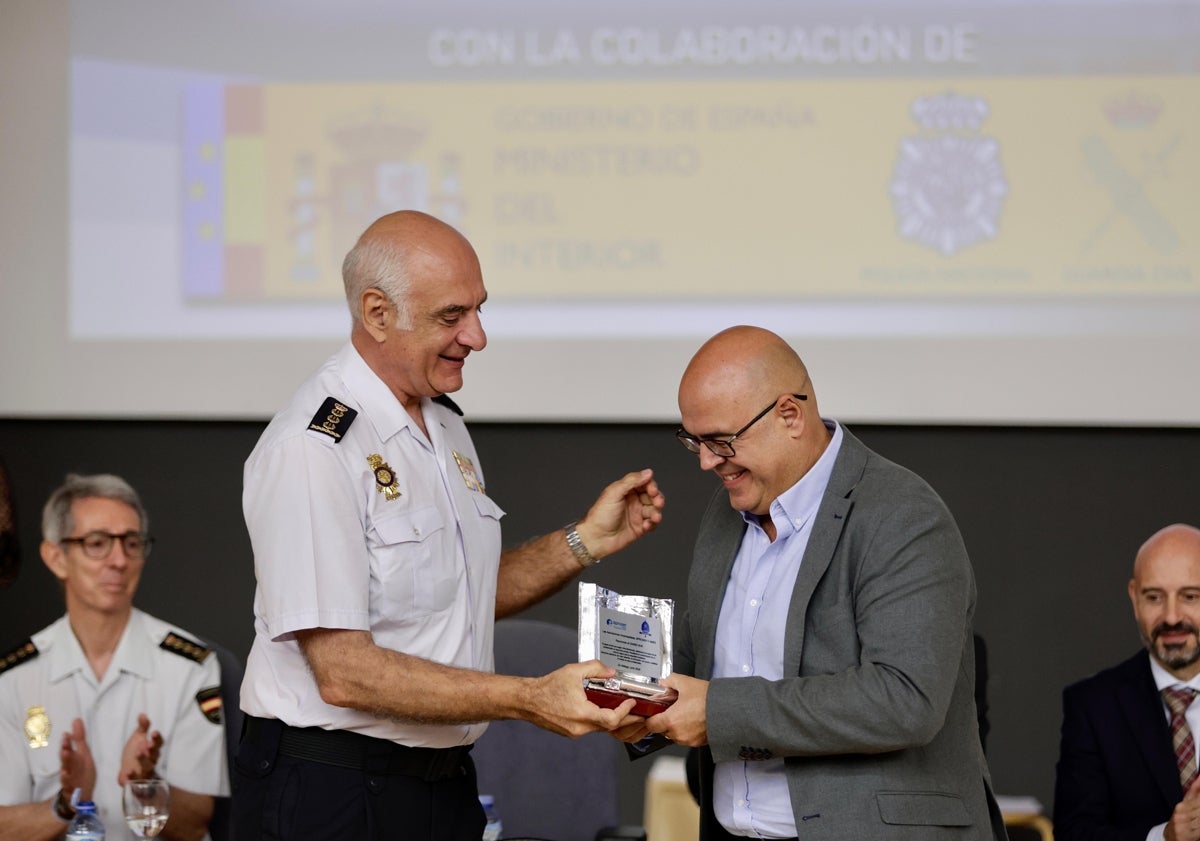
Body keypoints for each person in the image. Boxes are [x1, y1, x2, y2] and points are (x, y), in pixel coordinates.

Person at [234, 210, 664, 841]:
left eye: (479, 310)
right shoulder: (316, 446)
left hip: (439, 784)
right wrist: (528, 698)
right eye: (452, 316)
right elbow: (343, 670)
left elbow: (453, 598)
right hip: (333, 794)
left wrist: (583, 543)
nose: (478, 336)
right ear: (378, 313)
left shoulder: (443, 424)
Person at [619, 325, 1005, 840]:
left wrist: (716, 712)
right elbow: (701, 663)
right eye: (694, 441)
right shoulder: (726, 512)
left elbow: (904, 700)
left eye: (721, 441)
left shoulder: (903, 514)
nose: (708, 462)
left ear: (790, 415)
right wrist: (636, 701)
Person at [0, 473, 229, 841]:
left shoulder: (190, 665)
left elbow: (197, 823)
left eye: (132, 543)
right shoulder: (13, 677)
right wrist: (68, 801)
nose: (119, 560)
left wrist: (145, 785)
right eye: (97, 543)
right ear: (56, 557)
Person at [1054, 523, 1200, 841]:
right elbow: (1073, 834)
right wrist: (1165, 837)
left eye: (1190, 596)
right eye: (1154, 597)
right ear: (1134, 598)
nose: (1172, 617)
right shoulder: (1092, 706)